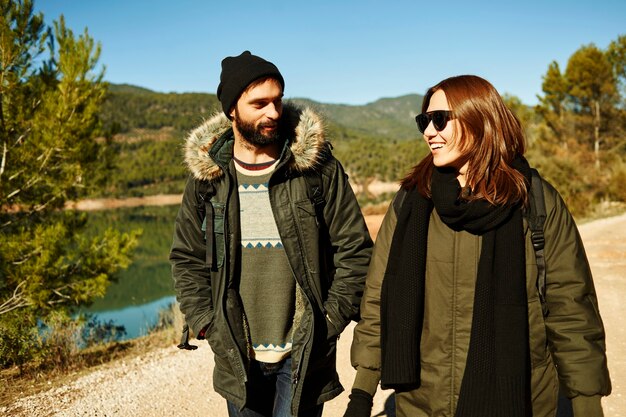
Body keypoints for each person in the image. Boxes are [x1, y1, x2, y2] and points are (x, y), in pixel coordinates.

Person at [343, 75, 611, 417]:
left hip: (521, 401)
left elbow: (572, 311)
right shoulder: (412, 202)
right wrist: (362, 393)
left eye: (439, 120)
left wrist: (587, 404)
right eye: (423, 121)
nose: (428, 132)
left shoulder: (536, 202)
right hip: (423, 404)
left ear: (480, 119)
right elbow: (379, 298)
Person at [170, 51, 373, 417]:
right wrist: (206, 322)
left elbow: (356, 251)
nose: (273, 112)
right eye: (259, 103)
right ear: (232, 109)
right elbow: (186, 257)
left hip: (304, 351)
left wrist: (328, 323)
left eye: (277, 100)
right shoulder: (208, 180)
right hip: (237, 352)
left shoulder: (316, 170)